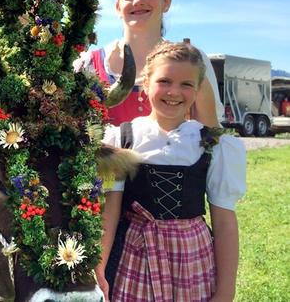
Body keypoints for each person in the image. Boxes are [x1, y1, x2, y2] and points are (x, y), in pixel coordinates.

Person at [95, 42, 245, 301]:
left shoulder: (211, 144)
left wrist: (225, 291)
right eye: (164, 81)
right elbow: (111, 209)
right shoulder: (121, 137)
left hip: (192, 256)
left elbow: (224, 223)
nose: (174, 91)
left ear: (198, 90)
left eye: (186, 84)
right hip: (135, 254)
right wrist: (99, 269)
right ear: (145, 84)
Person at [75, 0, 223, 128]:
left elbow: (212, 136)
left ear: (166, 1)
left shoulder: (194, 61)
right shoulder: (89, 64)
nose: (137, 1)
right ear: (118, 7)